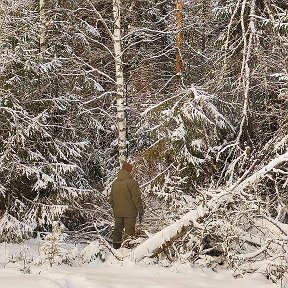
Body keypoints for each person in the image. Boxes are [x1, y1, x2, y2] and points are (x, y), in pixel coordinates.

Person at [109, 162, 144, 249]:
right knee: (129, 231)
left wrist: (115, 209)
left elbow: (111, 200)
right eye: (132, 170)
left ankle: (116, 248)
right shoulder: (132, 182)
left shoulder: (115, 183)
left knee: (117, 230)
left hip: (118, 212)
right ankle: (127, 250)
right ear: (129, 171)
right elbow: (136, 198)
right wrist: (140, 210)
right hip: (130, 213)